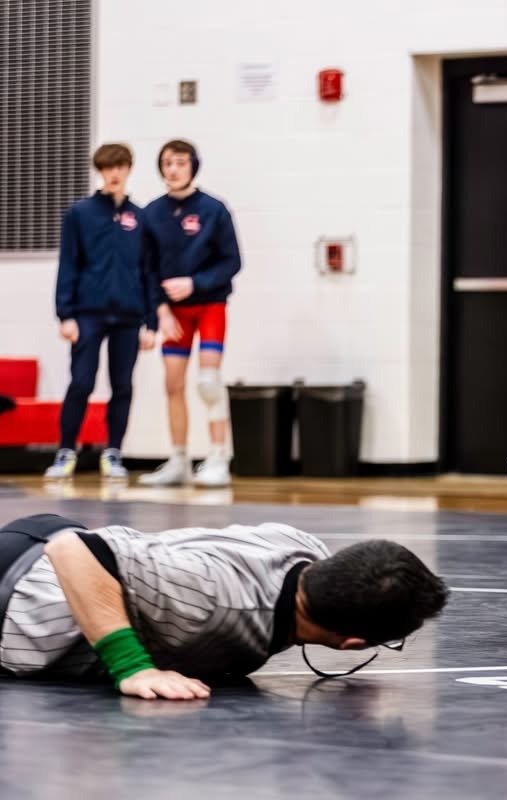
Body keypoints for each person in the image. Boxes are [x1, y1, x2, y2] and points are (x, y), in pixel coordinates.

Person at [0, 513, 447, 699]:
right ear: (351, 643)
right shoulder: (218, 605)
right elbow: (71, 550)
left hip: (41, 545)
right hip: (18, 591)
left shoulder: (304, 551)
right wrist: (133, 668)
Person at [45, 144, 158, 481]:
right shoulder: (79, 214)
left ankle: (113, 452)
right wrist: (65, 314)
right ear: (100, 171)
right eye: (108, 168)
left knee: (122, 385)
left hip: (129, 315)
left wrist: (151, 322)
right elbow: (69, 263)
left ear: (129, 169)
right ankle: (66, 451)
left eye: (119, 167)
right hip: (88, 314)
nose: (114, 174)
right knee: (81, 382)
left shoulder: (141, 217)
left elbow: (149, 271)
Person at [139, 140, 242, 488]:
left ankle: (218, 457)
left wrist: (195, 283)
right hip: (174, 313)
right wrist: (159, 312)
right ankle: (179, 460)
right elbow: (147, 268)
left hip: (210, 305)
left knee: (208, 381)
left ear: (193, 166)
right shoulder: (152, 213)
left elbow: (232, 261)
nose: (173, 169)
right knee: (173, 383)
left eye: (180, 162)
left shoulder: (214, 209)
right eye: (167, 163)